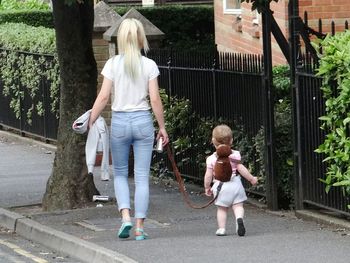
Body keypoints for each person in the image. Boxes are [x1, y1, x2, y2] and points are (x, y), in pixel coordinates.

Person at [88, 18, 169, 241]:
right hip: (143, 121)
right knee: (142, 177)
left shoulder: (112, 64)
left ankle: (125, 217)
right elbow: (154, 99)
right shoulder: (149, 65)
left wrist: (90, 121)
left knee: (121, 174)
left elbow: (103, 97)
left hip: (121, 123)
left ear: (121, 39)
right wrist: (162, 127)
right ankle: (140, 227)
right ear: (141, 38)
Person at [204, 124, 257, 237]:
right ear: (231, 141)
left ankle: (222, 229)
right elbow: (241, 169)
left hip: (221, 186)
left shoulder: (211, 159)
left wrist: (207, 187)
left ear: (213, 141)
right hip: (235, 184)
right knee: (238, 206)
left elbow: (208, 175)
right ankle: (239, 220)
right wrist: (251, 179)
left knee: (222, 209)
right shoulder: (235, 155)